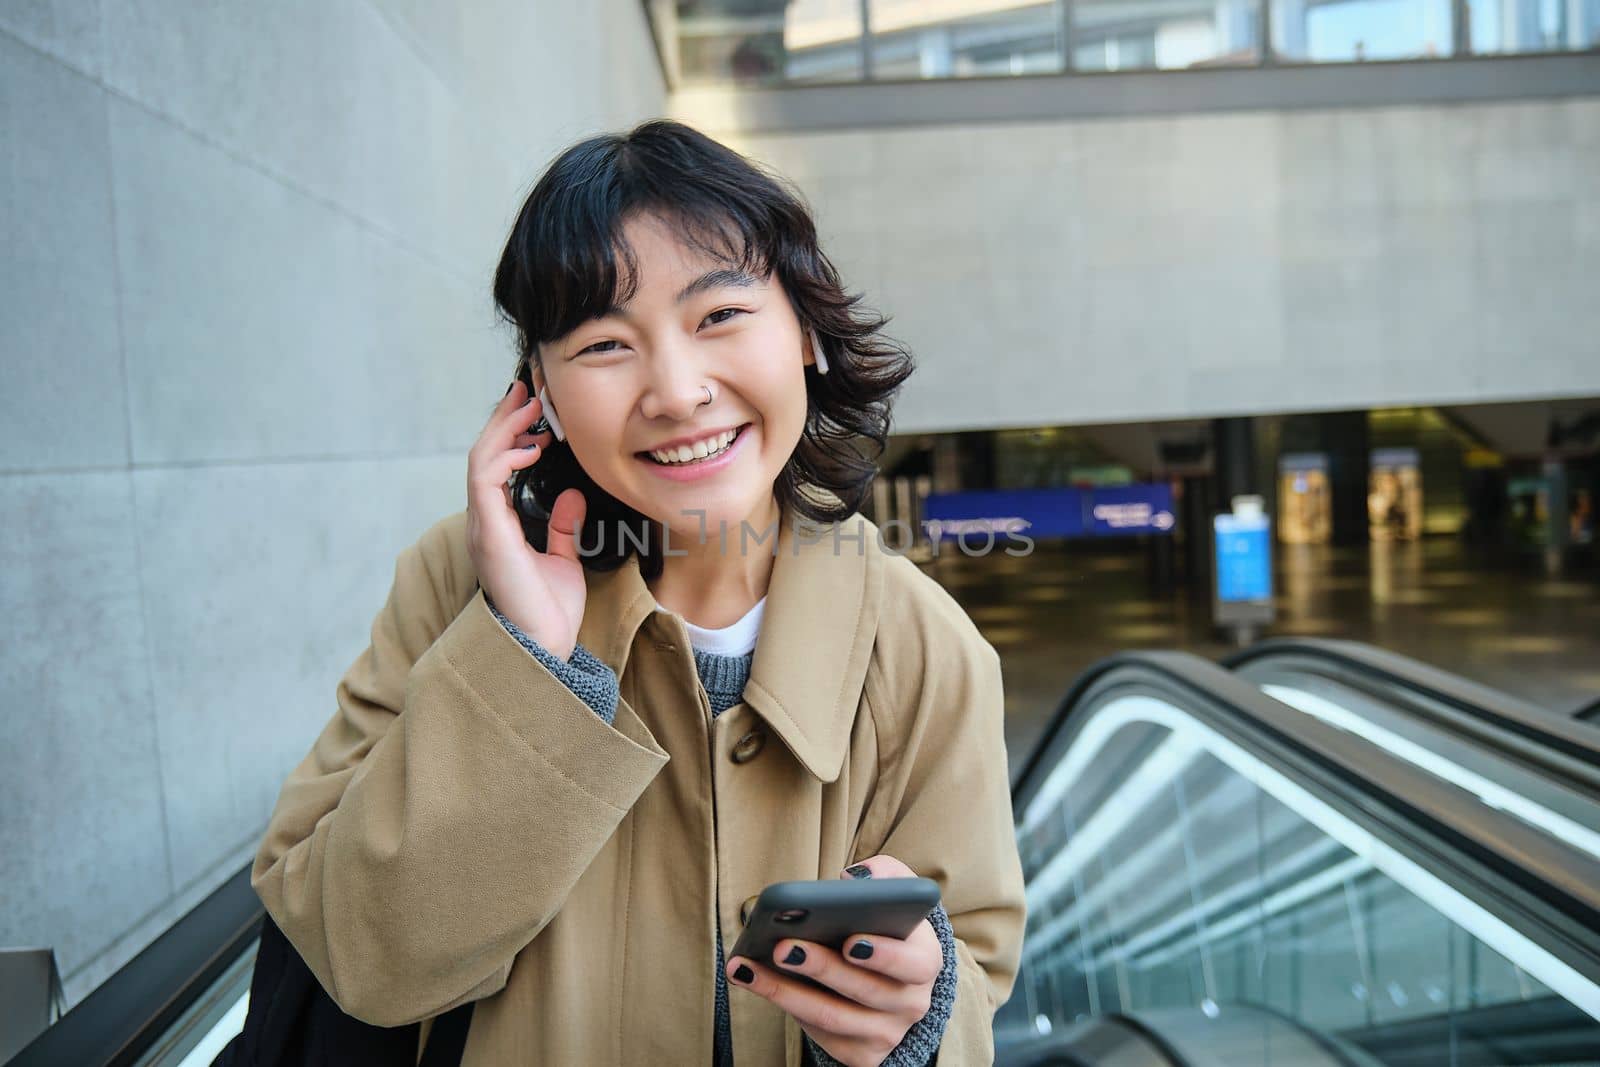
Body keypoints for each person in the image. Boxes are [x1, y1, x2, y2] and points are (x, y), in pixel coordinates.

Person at [250, 119, 1025, 1066]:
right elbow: (354, 953)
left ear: (808, 333)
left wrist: (913, 1020)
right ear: (537, 387)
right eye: (606, 345)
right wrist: (527, 665)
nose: (676, 390)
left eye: (720, 316)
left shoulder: (923, 644)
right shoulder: (453, 582)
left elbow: (975, 985)